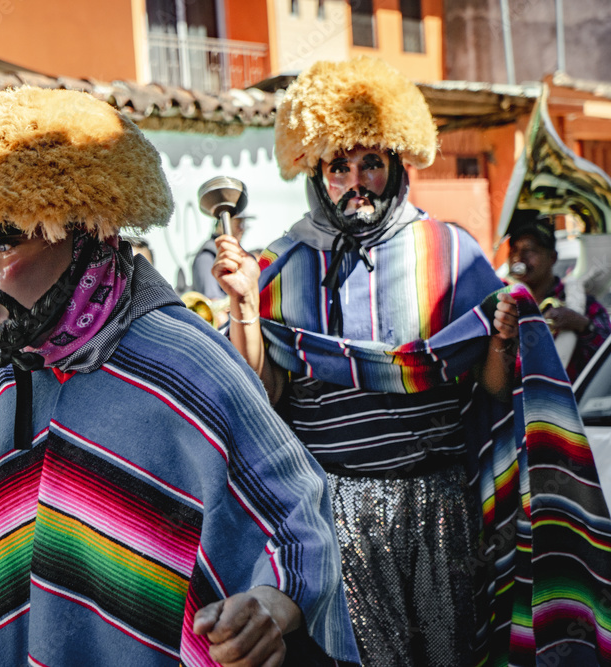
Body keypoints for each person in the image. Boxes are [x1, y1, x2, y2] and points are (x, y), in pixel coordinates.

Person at [0, 86, 360, 666]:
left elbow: (296, 520)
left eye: (2, 239)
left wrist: (267, 607)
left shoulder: (186, 367)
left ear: (86, 228)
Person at [214, 57, 611, 666]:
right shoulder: (279, 265)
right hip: (329, 509)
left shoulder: (451, 252)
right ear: (315, 172)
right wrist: (244, 306)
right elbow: (259, 398)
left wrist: (502, 340)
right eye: (339, 165)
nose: (357, 180)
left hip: (437, 507)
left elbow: (493, 391)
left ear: (397, 164)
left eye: (371, 162)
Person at [506, 209, 610, 381]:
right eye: (514, 249)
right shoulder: (505, 302)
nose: (519, 257)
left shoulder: (584, 304)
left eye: (530, 250)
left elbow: (606, 366)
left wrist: (583, 326)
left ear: (552, 258)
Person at [191, 214, 249, 299]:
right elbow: (213, 301)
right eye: (239, 224)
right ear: (222, 224)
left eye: (243, 224)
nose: (242, 229)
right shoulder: (207, 256)